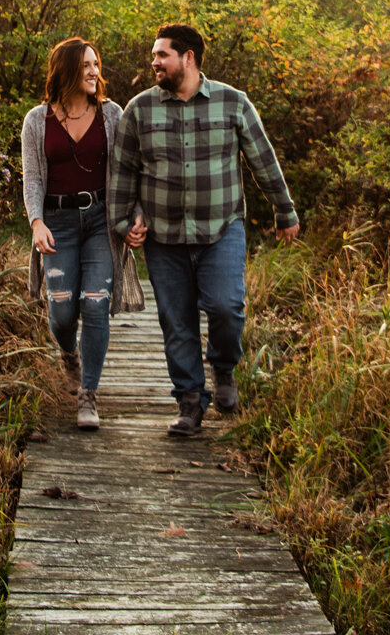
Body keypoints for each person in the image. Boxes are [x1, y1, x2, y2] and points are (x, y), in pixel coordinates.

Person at [110, 23, 300, 437]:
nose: (154, 62)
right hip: (164, 237)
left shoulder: (233, 103)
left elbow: (262, 160)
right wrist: (123, 222)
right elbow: (123, 171)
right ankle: (190, 403)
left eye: (162, 55)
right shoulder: (140, 110)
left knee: (226, 308)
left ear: (188, 58)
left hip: (222, 229)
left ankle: (224, 368)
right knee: (176, 322)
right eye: (154, 55)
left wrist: (284, 210)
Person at [20, 36, 142, 431]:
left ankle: (88, 394)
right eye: (86, 65)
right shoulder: (37, 121)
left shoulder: (112, 115)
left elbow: (129, 171)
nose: (95, 72)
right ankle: (68, 352)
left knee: (94, 304)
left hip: (100, 222)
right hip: (57, 224)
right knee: (61, 311)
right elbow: (34, 178)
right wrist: (36, 222)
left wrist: (134, 215)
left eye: (96, 64)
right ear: (67, 70)